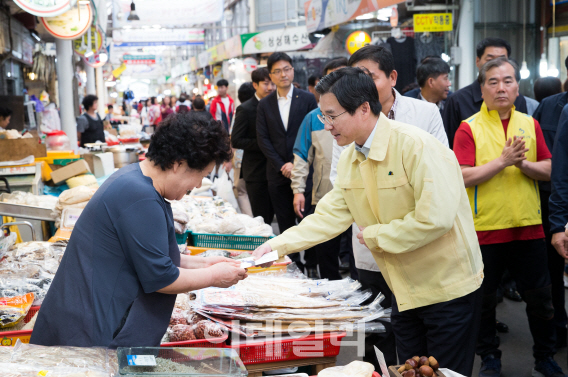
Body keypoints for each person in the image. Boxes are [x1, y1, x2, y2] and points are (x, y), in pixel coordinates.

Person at [253, 67, 484, 377]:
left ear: (364, 108)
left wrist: (375, 236)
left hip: (447, 290)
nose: (327, 125)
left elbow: (435, 219)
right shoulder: (350, 158)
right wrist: (273, 246)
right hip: (403, 290)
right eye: (323, 116)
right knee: (413, 371)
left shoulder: (416, 146)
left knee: (445, 373)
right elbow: (327, 217)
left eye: (332, 116)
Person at [31, 113, 245, 348]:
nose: (197, 185)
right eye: (201, 176)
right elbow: (162, 278)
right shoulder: (139, 196)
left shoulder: (136, 180)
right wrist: (215, 277)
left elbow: (148, 255)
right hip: (91, 333)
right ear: (178, 164)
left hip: (90, 321)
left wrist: (206, 264)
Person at [328, 45, 449, 367]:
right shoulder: (347, 133)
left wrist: (380, 232)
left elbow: (437, 208)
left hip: (428, 258)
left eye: (368, 76)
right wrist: (275, 246)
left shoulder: (419, 126)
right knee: (385, 333)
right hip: (374, 251)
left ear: (391, 77)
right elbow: (339, 194)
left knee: (436, 359)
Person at [452, 57, 562, 377]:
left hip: (529, 226)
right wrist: (502, 161)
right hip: (486, 227)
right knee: (485, 302)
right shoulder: (468, 127)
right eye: (493, 82)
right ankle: (489, 358)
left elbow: (550, 169)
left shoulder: (530, 123)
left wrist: (522, 165)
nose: (502, 87)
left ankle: (545, 358)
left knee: (541, 298)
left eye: (508, 81)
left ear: (517, 88)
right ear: (482, 89)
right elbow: (460, 176)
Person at [256, 52, 318, 270]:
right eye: (277, 71)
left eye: (287, 69)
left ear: (293, 70)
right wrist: (281, 165)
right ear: (271, 76)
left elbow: (313, 134)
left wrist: (296, 163)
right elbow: (263, 139)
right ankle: (293, 266)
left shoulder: (308, 99)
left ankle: (311, 263)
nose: (283, 74)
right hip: (277, 173)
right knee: (284, 222)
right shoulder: (264, 105)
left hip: (303, 171)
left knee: (308, 220)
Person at [291, 58, 347, 281]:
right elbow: (302, 157)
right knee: (327, 251)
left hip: (361, 196)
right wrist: (298, 190)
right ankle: (330, 294)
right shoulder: (313, 119)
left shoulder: (363, 114)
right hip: (326, 195)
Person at [532, 56, 568, 350]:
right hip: (552, 202)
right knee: (553, 271)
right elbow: (558, 169)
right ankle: (558, 327)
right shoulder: (554, 107)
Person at [442, 38, 529, 149]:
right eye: (490, 59)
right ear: (477, 61)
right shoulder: (457, 100)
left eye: (502, 60)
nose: (496, 65)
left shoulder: (518, 99)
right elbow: (446, 145)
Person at [232, 68, 275, 225]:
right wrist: (264, 143)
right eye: (266, 83)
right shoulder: (246, 108)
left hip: (278, 171)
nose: (270, 87)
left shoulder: (276, 105)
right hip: (256, 173)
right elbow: (236, 140)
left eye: (272, 83)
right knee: (262, 219)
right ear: (255, 85)